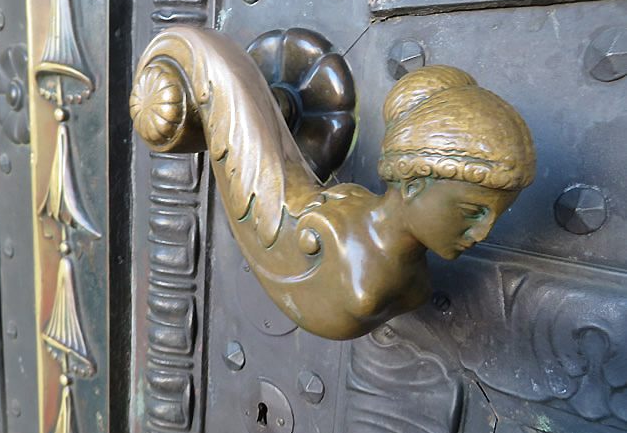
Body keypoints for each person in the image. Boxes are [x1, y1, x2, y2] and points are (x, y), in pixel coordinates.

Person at [131, 27, 536, 340]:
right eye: (472, 211)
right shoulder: (349, 246)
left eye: (496, 214)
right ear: (412, 186)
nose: (483, 232)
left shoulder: (374, 243)